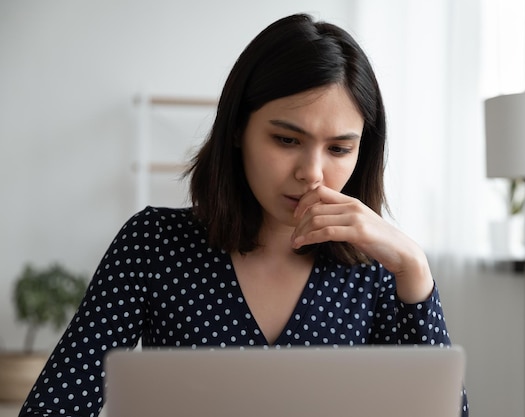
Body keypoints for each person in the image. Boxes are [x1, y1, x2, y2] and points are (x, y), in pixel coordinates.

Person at [19, 13, 468, 417]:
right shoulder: (153, 244)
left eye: (338, 148)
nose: (311, 174)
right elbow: (56, 405)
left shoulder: (379, 269)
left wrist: (415, 272)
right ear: (237, 129)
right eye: (286, 140)